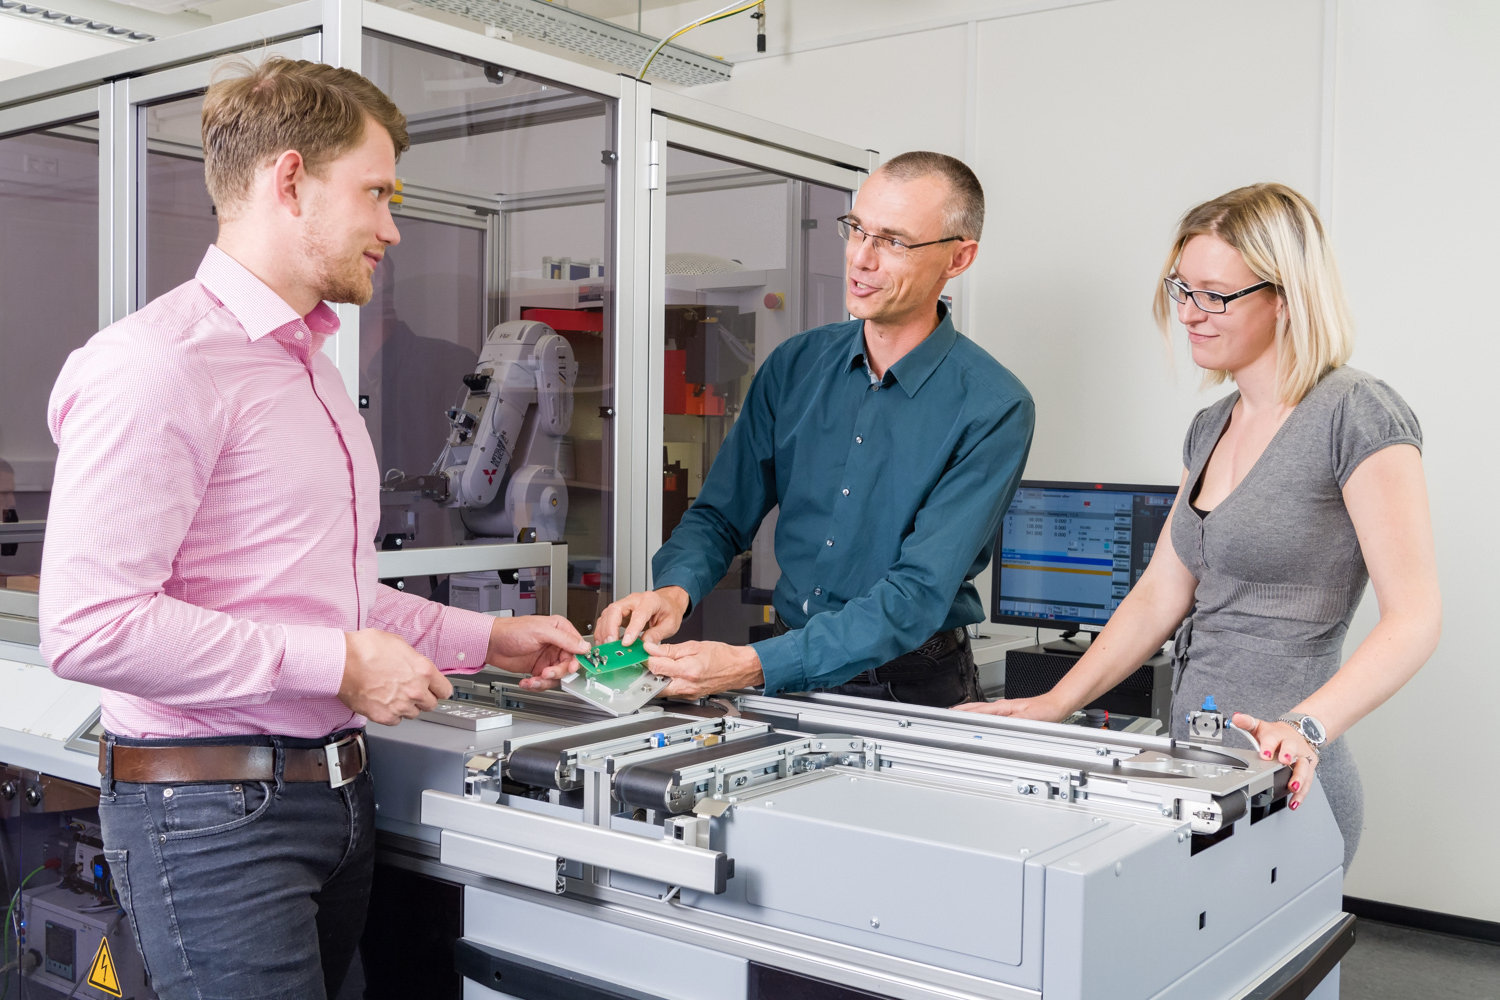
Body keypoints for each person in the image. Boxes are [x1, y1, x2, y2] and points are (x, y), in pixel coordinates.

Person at [38, 57, 590, 1000]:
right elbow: (91, 626)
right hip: (208, 819)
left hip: (330, 800)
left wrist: (492, 640)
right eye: (375, 194)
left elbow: (331, 596)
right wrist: (335, 667)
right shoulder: (157, 365)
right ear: (289, 179)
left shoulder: (311, 367)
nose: (393, 228)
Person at [956, 182, 1441, 870]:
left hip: (1284, 777)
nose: (1188, 313)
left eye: (1214, 295)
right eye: (1181, 290)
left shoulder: (1356, 414)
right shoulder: (1210, 427)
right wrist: (1054, 702)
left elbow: (1415, 617)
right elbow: (1159, 595)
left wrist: (1306, 726)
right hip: (1194, 767)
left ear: (1285, 296)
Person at [569, 152, 1035, 707]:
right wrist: (675, 590)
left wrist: (752, 665)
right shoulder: (795, 366)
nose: (860, 259)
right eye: (856, 229)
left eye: (892, 241)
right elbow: (720, 515)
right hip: (786, 673)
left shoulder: (993, 406)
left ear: (958, 258)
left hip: (910, 686)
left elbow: (915, 595)